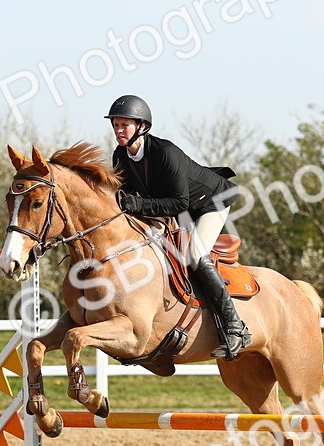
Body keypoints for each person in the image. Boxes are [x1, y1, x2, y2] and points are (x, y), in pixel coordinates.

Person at [105, 94, 252, 360]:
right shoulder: (120, 155)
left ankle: (235, 327)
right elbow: (127, 199)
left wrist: (137, 205)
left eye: (123, 125)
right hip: (177, 209)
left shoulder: (165, 153)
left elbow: (177, 201)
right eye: (115, 125)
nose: (118, 131)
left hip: (209, 203)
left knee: (194, 255)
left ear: (141, 126)